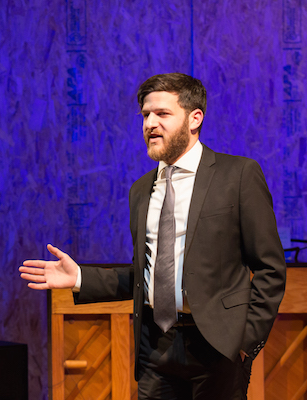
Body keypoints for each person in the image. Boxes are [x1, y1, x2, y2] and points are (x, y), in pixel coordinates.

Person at [20, 73, 286, 399]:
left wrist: (245, 342)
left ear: (194, 118)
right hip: (155, 350)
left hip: (219, 349)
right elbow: (147, 277)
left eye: (162, 114)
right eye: (145, 115)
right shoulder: (141, 190)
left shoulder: (238, 175)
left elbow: (270, 269)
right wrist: (80, 278)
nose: (150, 123)